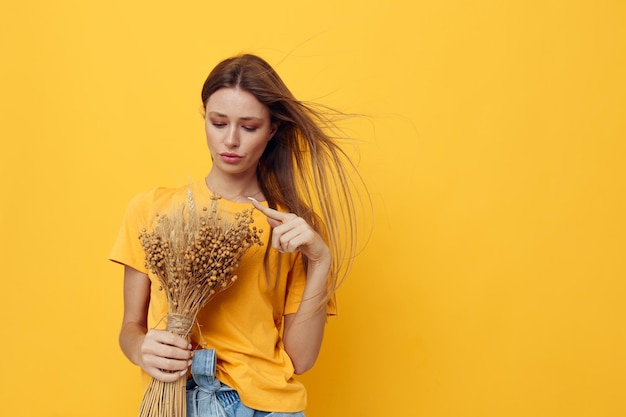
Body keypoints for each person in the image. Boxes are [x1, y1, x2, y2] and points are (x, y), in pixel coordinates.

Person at [109, 53, 364, 417]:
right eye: (218, 122)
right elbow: (130, 328)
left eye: (249, 127)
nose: (230, 140)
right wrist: (142, 350)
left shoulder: (291, 227)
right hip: (176, 399)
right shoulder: (152, 210)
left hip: (266, 407)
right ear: (205, 119)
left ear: (272, 129)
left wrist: (321, 260)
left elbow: (302, 359)